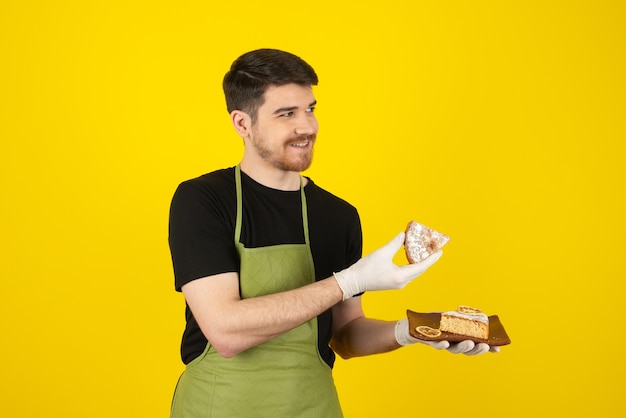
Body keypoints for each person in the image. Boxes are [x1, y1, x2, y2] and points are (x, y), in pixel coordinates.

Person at [168, 48, 497, 417]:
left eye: (310, 109)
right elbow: (225, 332)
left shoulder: (337, 215)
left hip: (314, 407)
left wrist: (414, 330)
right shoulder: (203, 200)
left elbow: (346, 334)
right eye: (286, 114)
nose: (306, 126)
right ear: (242, 123)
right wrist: (348, 280)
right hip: (219, 407)